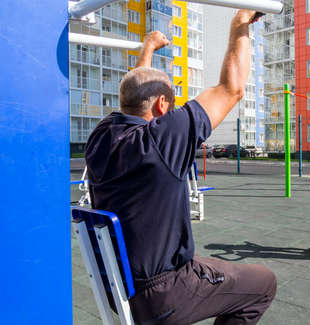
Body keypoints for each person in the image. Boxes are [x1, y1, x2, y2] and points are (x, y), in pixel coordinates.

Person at [85, 9, 276, 325]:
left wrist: (147, 49)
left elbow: (134, 92)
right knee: (263, 283)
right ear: (162, 105)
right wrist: (240, 21)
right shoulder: (161, 140)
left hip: (121, 284)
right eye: (168, 105)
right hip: (164, 294)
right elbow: (232, 89)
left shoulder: (102, 135)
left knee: (216, 268)